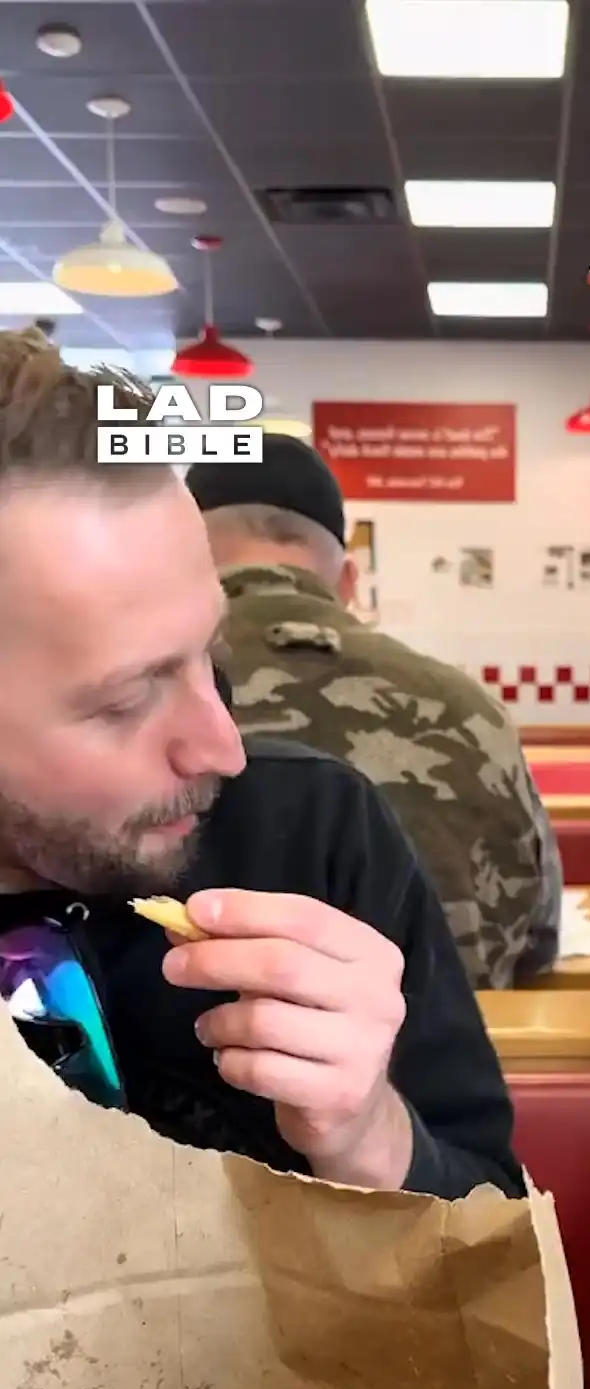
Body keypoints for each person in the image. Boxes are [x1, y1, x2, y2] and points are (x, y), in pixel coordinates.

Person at [0, 325, 523, 1202]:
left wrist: (368, 1135)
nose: (222, 748)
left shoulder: (314, 833)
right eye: (128, 699)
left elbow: (489, 1216)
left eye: (211, 652)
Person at [183, 434, 563, 992]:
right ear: (349, 582)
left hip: (189, 1068)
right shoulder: (469, 711)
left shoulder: (135, 700)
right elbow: (537, 943)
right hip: (448, 1067)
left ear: (181, 565)